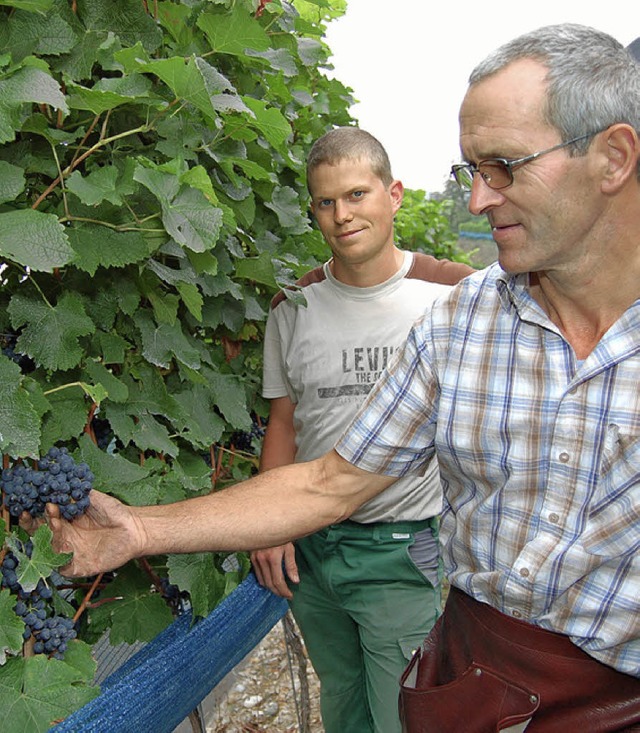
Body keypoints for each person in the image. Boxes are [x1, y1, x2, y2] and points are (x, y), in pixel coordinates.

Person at [47, 23, 640, 731]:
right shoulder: (460, 325)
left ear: (613, 157)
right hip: (474, 680)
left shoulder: (435, 294)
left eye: (504, 166)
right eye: (470, 172)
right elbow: (328, 479)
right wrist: (138, 530)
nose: (479, 200)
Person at [251, 126, 473, 733]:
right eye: (325, 202)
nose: (342, 215)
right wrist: (271, 527)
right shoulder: (292, 307)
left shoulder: (451, 293)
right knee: (343, 707)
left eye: (356, 195)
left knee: (403, 713)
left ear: (393, 194)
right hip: (314, 554)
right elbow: (284, 421)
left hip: (399, 550)